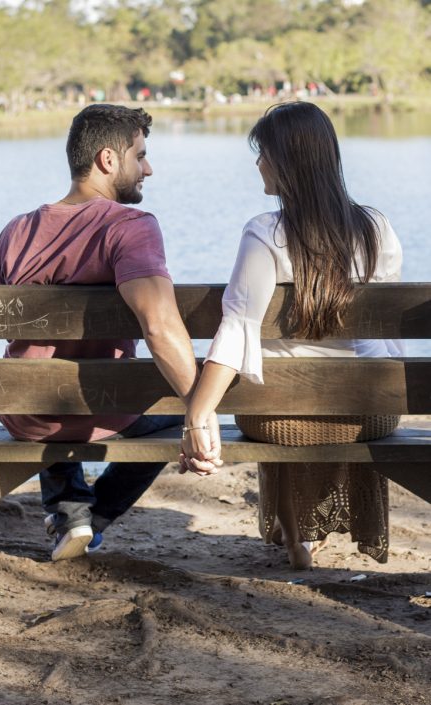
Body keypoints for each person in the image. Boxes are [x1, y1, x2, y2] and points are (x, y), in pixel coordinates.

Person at [0, 103, 221, 561]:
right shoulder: (129, 226)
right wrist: (199, 409)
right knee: (174, 411)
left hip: (22, 409)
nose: (148, 169)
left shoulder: (14, 231)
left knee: (49, 380)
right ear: (108, 160)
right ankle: (93, 517)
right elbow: (158, 324)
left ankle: (69, 512)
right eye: (141, 155)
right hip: (98, 410)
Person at [180, 101, 402, 570]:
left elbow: (238, 325)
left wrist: (199, 411)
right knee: (314, 391)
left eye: (263, 153)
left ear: (286, 161)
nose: (257, 162)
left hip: (282, 416)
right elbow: (383, 333)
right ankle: (308, 527)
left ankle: (296, 536)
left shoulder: (265, 233)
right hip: (370, 414)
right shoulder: (376, 227)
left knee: (270, 400)